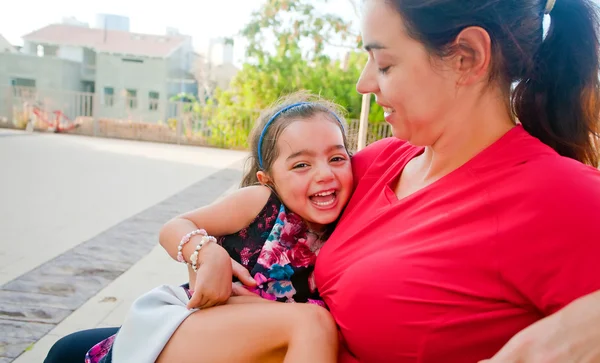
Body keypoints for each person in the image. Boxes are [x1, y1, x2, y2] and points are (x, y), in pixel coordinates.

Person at [45, 0, 600, 361]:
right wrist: (202, 249)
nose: (362, 83)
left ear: (467, 58)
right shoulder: (380, 161)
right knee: (71, 349)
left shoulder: (560, 198)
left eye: (383, 64)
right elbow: (272, 198)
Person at [82, 92, 353, 363]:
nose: (325, 174)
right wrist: (208, 252)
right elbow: (173, 227)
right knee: (314, 322)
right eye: (301, 165)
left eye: (337, 159)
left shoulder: (350, 222)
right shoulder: (261, 203)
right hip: (204, 331)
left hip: (268, 346)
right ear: (268, 179)